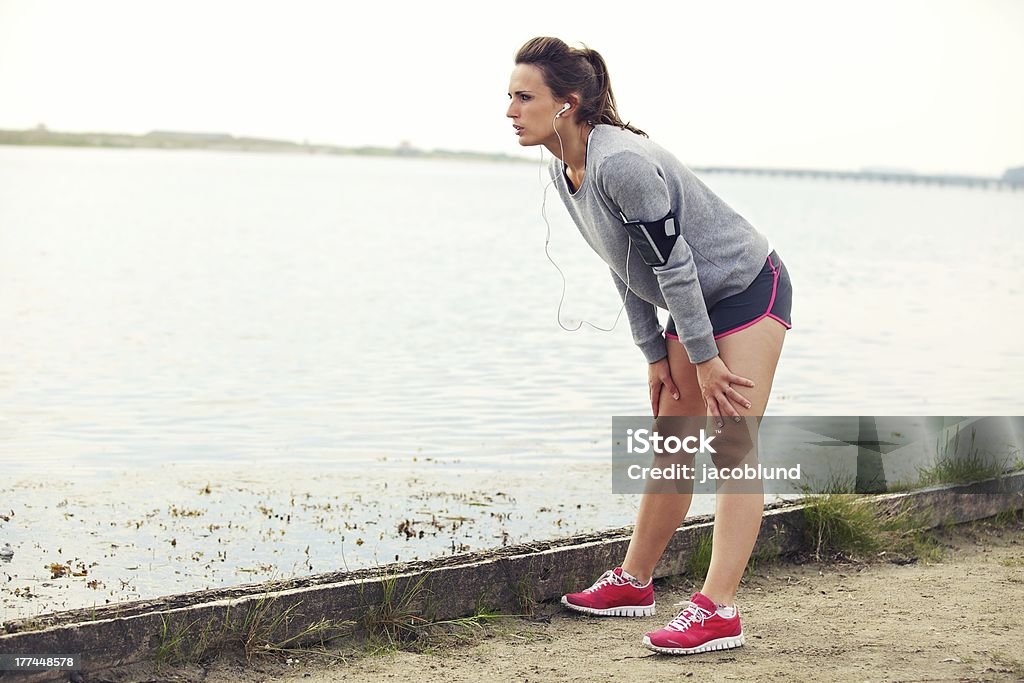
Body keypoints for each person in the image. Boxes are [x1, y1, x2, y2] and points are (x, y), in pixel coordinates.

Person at [506, 36, 793, 656]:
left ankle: (718, 612)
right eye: (510, 96)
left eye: (524, 97)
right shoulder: (566, 166)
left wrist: (708, 360)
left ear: (568, 104)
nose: (510, 110)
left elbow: (676, 264)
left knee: (732, 445)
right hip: (691, 301)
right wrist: (655, 354)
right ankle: (635, 582)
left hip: (744, 288)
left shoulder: (622, 164)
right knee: (671, 439)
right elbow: (623, 258)